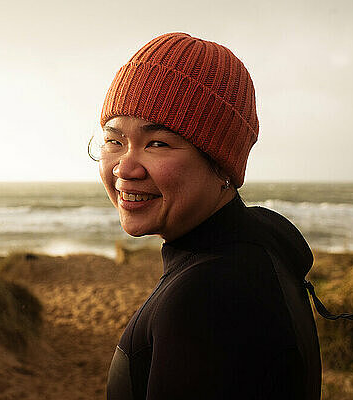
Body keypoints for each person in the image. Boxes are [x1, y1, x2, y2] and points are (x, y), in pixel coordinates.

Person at [92, 33, 322, 399]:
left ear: (221, 162)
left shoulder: (210, 298)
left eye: (157, 143)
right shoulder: (253, 251)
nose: (124, 168)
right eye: (114, 140)